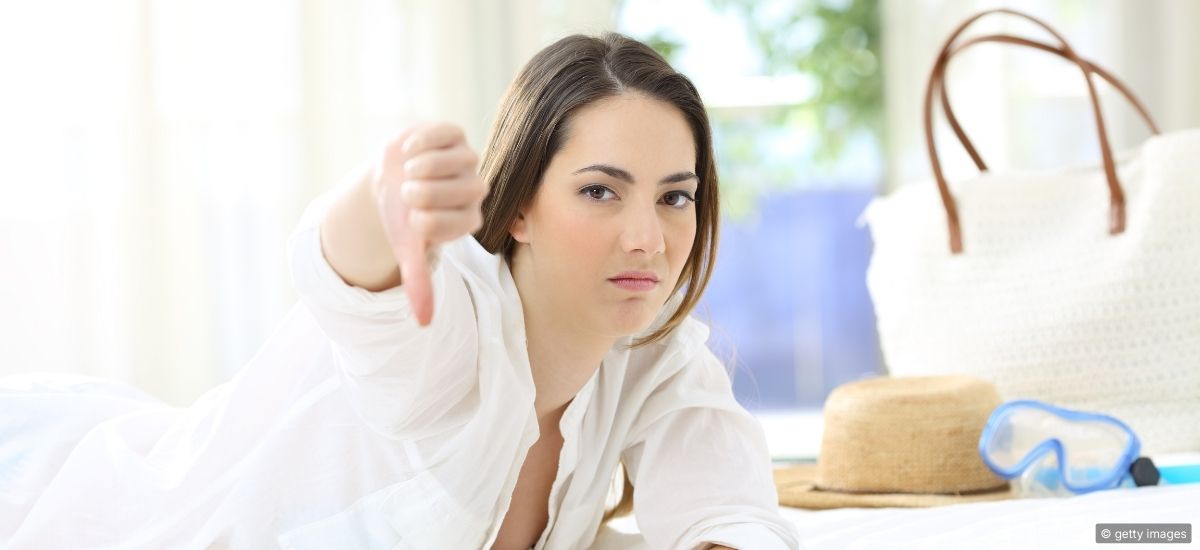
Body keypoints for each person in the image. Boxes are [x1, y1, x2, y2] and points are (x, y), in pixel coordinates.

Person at [0, 33, 800, 549]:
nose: (648, 239)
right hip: (70, 494)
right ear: (517, 204)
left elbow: (723, 510)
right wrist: (388, 189)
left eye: (675, 196)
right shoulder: (454, 321)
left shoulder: (655, 356)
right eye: (600, 191)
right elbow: (345, 273)